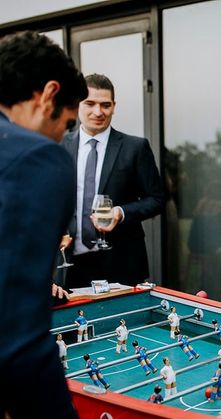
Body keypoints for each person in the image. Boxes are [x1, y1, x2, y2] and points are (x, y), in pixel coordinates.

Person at [0, 31, 133, 419]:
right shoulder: (36, 158)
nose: (64, 135)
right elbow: (17, 333)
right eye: (67, 123)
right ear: (50, 95)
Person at [61, 73, 164, 289]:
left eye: (105, 105)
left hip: (121, 264)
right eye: (90, 103)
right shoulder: (58, 146)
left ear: (114, 106)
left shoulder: (135, 148)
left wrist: (121, 212)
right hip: (68, 266)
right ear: (77, 103)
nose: (98, 112)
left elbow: (156, 199)